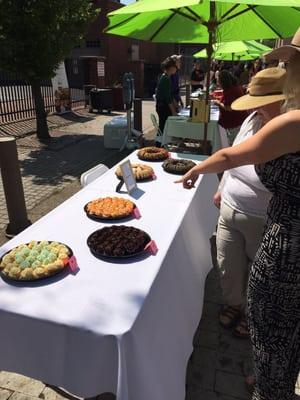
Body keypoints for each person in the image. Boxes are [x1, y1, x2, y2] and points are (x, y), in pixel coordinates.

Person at [176, 27, 300, 399]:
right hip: (270, 234)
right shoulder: (275, 120)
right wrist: (220, 184)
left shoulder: (293, 122)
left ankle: (270, 388)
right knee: (285, 340)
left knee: (274, 338)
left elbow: (232, 156)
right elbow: (233, 159)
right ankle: (269, 381)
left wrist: (198, 168)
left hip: (285, 251)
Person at [214, 68, 286, 339]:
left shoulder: (290, 129)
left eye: (260, 101)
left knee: (261, 276)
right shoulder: (253, 119)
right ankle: (234, 304)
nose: (254, 107)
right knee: (227, 265)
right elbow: (232, 159)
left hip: (264, 220)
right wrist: (221, 188)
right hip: (229, 209)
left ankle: (253, 314)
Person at [213, 70, 248, 145]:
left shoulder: (231, 91)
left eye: (219, 81)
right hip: (238, 121)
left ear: (223, 81)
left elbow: (229, 108)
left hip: (235, 123)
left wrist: (218, 103)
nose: (218, 83)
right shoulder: (234, 87)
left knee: (234, 144)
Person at [155, 57, 177, 133]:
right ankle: (160, 143)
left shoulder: (166, 77)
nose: (176, 69)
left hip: (161, 105)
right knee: (163, 126)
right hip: (162, 106)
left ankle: (161, 143)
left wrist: (175, 103)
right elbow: (168, 98)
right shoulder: (166, 79)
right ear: (171, 67)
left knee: (163, 126)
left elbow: (170, 94)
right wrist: (173, 111)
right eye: (175, 67)